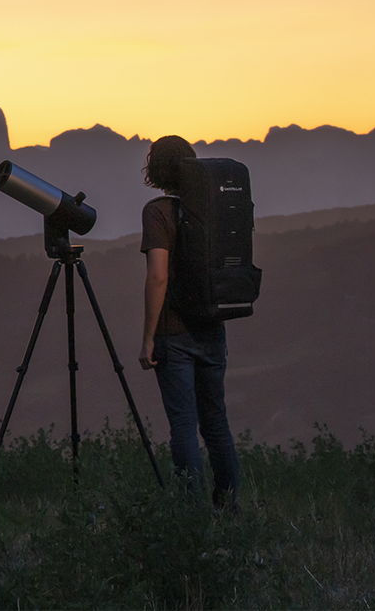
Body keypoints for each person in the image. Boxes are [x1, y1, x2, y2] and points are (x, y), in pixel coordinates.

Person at [136, 135, 239, 508]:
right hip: (213, 327)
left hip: (173, 333)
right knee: (216, 424)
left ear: (155, 170)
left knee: (183, 426)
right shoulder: (212, 207)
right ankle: (228, 507)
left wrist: (148, 338)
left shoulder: (158, 212)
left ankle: (191, 514)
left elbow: (158, 276)